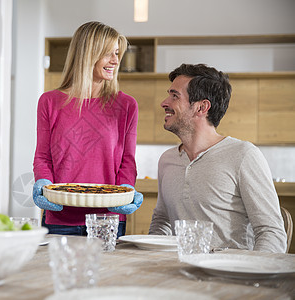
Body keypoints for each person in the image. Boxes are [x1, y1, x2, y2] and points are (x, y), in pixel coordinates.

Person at [148, 63, 287, 253]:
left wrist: (249, 276)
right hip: (180, 273)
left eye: (175, 96)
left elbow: (271, 232)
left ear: (201, 107)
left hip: (231, 275)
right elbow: (162, 222)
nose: (164, 102)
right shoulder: (167, 160)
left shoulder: (243, 155)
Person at [32, 21, 143, 237]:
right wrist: (42, 182)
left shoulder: (127, 105)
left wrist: (126, 191)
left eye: (117, 53)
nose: (115, 60)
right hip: (60, 217)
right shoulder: (49, 102)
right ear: (87, 54)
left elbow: (127, 161)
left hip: (108, 218)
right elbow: (43, 157)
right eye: (108, 53)